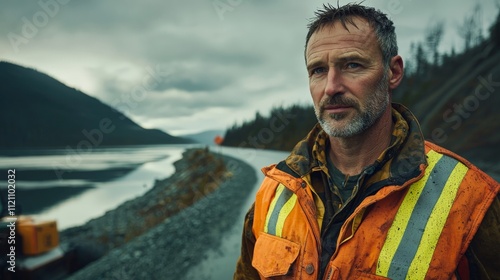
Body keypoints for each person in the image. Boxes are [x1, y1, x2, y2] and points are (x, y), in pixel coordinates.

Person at [234, 3, 499, 280]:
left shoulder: (471, 200)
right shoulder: (274, 190)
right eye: (318, 70)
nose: (331, 87)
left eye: (352, 64)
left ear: (393, 72)